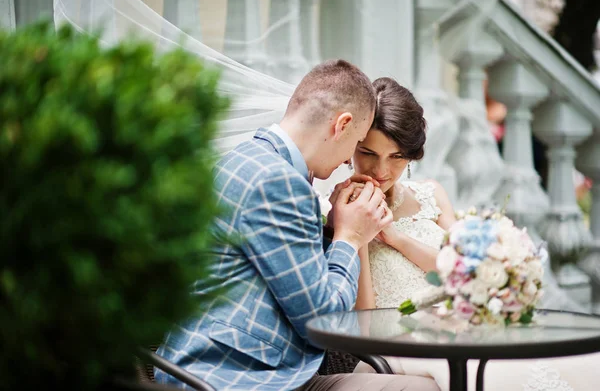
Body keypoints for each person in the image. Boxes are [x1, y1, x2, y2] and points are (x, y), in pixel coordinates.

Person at [154, 60, 441, 391]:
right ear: (342, 125)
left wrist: (334, 229)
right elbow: (321, 321)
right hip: (235, 377)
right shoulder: (279, 182)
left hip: (249, 369)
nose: (350, 161)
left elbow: (291, 274)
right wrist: (349, 238)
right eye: (358, 144)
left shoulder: (250, 160)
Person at [330, 77, 599, 391]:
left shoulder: (432, 194)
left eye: (397, 157)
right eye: (369, 153)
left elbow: (466, 271)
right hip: (401, 345)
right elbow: (366, 322)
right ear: (351, 146)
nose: (381, 171)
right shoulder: (342, 212)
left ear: (412, 155)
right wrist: (360, 233)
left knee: (582, 362)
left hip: (463, 327)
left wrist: (396, 239)